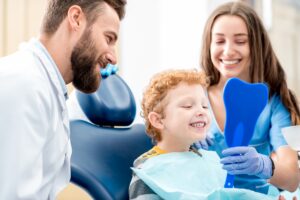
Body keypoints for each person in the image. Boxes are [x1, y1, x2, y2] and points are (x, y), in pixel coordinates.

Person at [0, 0, 126, 199]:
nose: (113, 58)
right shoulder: (25, 85)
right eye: (108, 38)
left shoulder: (48, 88)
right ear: (76, 19)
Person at [197, 1, 300, 196]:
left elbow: (293, 179)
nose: (228, 51)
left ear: (256, 45)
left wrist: (264, 165)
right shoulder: (193, 94)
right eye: (219, 41)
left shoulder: (277, 102)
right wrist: (183, 142)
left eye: (240, 41)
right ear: (208, 45)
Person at [129, 69, 278, 200]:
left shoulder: (206, 159)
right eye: (188, 106)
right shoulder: (149, 170)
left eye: (205, 105)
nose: (201, 111)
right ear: (158, 120)